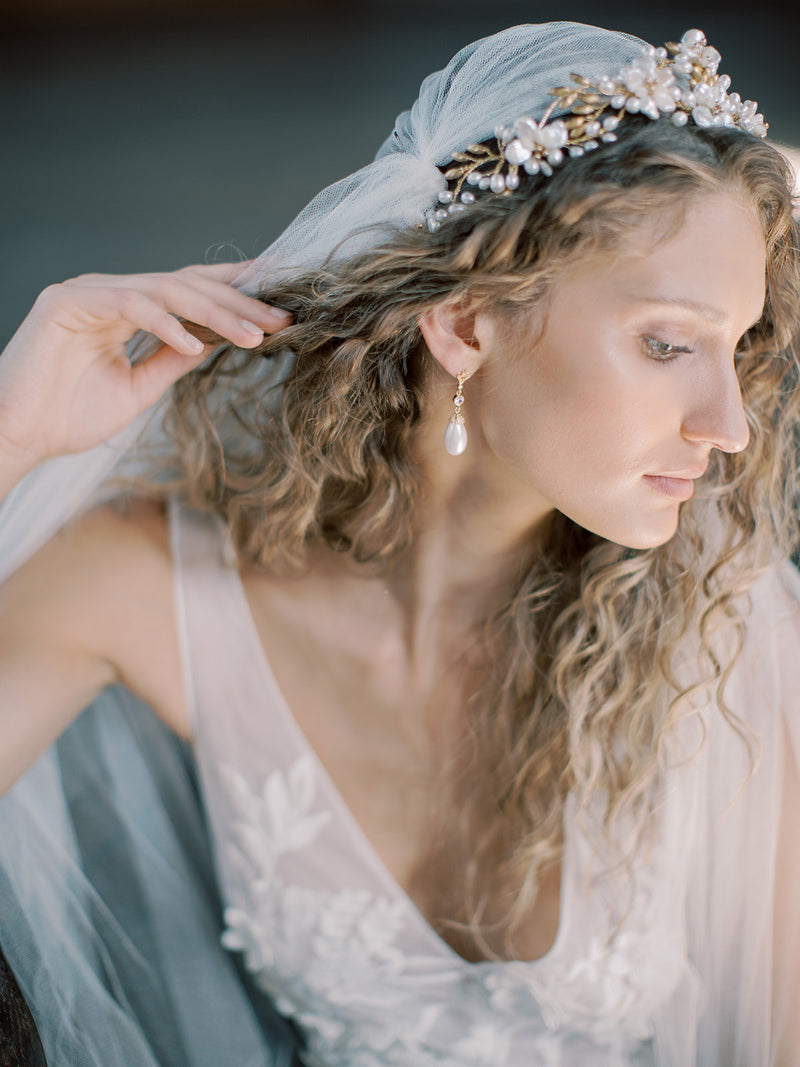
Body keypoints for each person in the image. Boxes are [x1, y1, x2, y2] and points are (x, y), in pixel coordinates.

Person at [0, 19, 798, 1067]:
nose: (726, 423)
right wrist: (10, 435)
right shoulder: (143, 585)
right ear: (466, 327)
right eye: (664, 343)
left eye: (732, 348)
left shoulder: (726, 638)